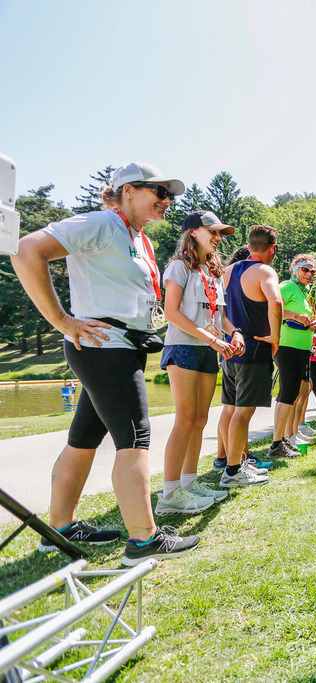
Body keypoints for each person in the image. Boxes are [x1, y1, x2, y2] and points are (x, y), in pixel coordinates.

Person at [12, 161, 200, 565]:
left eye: (170, 194)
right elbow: (27, 250)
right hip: (104, 348)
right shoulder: (100, 222)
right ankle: (143, 540)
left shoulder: (138, 238)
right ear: (128, 190)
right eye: (160, 192)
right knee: (135, 439)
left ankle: (58, 529)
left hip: (119, 347)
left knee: (83, 440)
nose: (168, 201)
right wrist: (62, 320)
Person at [157, 211, 240, 516]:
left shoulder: (214, 271)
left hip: (209, 348)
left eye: (220, 234)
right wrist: (211, 338)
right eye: (212, 231)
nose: (218, 238)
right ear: (193, 232)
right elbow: (172, 313)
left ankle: (190, 485)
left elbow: (220, 316)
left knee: (201, 420)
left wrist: (235, 333)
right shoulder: (179, 267)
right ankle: (169, 494)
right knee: (185, 419)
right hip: (184, 347)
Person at [221, 225, 281, 483]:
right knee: (243, 413)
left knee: (232, 409)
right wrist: (275, 337)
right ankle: (233, 470)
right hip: (254, 349)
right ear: (272, 248)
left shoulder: (227, 270)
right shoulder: (264, 270)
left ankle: (233, 462)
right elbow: (275, 301)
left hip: (230, 349)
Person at [269, 254, 316, 456]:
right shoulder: (287, 286)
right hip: (287, 346)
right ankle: (276, 444)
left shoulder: (304, 292)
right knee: (287, 394)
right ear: (294, 269)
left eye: (312, 271)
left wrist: (313, 323)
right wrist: (294, 316)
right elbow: (272, 305)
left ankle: (285, 438)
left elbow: (304, 320)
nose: (309, 274)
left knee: (293, 394)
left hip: (302, 347)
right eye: (305, 269)